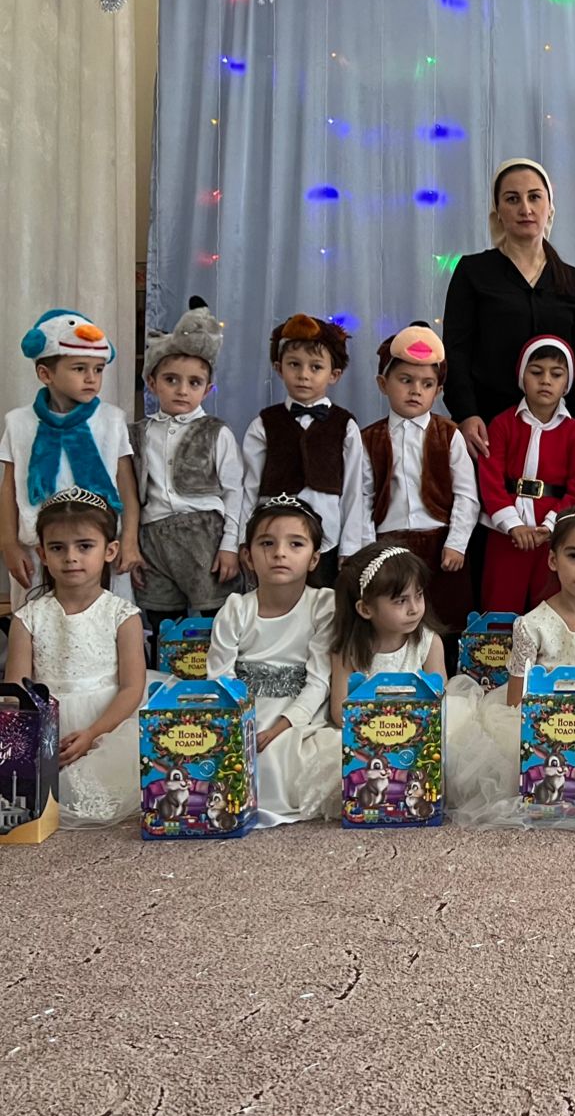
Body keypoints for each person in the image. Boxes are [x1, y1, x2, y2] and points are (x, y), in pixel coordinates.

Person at [451, 505, 575, 829]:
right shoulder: (531, 625)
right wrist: (552, 738)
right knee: (527, 766)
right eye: (574, 555)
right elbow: (516, 701)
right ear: (553, 559)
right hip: (546, 727)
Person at [2, 489, 145, 826]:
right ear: (42, 554)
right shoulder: (28, 618)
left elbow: (132, 688)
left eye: (84, 546)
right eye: (57, 548)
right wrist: (34, 743)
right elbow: (15, 693)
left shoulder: (123, 615)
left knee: (106, 785)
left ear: (110, 551)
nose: (70, 557)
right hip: (47, 724)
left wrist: (93, 732)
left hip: (108, 724)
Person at [442, 158, 575, 452]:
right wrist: (466, 414)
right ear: (498, 211)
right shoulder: (472, 272)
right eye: (512, 199)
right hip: (488, 430)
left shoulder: (573, 280)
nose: (525, 209)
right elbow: (455, 351)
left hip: (557, 432)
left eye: (534, 197)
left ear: (549, 207)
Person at [207, 496, 341, 824]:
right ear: (248, 556)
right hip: (245, 711)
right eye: (267, 543)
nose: (280, 553)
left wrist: (282, 725)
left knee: (302, 754)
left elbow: (320, 681)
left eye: (296, 544)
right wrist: (242, 725)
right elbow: (221, 678)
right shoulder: (236, 609)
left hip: (300, 713)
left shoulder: (323, 605)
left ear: (314, 558)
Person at [3, 309, 141, 609]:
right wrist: (9, 544)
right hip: (39, 551)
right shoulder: (18, 423)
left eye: (98, 369)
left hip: (100, 549)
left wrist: (130, 540)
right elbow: (9, 489)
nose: (92, 378)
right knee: (37, 620)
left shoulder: (112, 420)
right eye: (80, 368)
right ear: (45, 374)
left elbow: (126, 488)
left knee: (106, 619)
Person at [130, 297, 243, 652]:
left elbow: (234, 492)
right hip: (153, 539)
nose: (182, 389)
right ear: (152, 383)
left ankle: (217, 676)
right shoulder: (137, 433)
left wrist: (229, 546)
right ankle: (165, 676)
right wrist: (132, 543)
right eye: (171, 380)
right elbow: (129, 493)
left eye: (194, 383)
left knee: (215, 619)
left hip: (204, 537)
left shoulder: (216, 432)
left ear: (207, 389)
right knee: (162, 623)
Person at [358, 322, 478, 632]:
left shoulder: (449, 434)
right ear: (383, 383)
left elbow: (466, 495)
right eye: (405, 380)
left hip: (441, 545)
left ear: (438, 391)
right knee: (394, 619)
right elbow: (362, 498)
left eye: (427, 384)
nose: (415, 390)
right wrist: (368, 550)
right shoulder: (368, 439)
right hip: (390, 544)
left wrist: (457, 543)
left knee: (446, 620)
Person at [238, 314, 365, 589]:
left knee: (324, 604)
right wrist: (243, 540)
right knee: (275, 600)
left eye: (316, 367)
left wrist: (351, 546)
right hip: (274, 540)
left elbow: (355, 489)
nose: (304, 375)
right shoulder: (264, 423)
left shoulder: (345, 425)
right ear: (279, 368)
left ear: (334, 374)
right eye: (294, 364)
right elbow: (248, 486)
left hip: (327, 540)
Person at [477, 334, 575, 612]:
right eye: (536, 372)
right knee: (499, 605)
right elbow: (490, 479)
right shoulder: (502, 424)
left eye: (556, 374)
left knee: (549, 608)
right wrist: (512, 524)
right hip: (505, 533)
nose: (546, 381)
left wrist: (551, 526)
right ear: (522, 377)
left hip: (550, 535)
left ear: (567, 383)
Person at [328, 543, 450, 721]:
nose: (414, 609)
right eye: (401, 601)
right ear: (365, 609)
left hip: (420, 729)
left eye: (419, 595)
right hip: (367, 732)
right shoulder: (348, 651)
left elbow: (441, 703)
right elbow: (340, 714)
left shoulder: (429, 643)